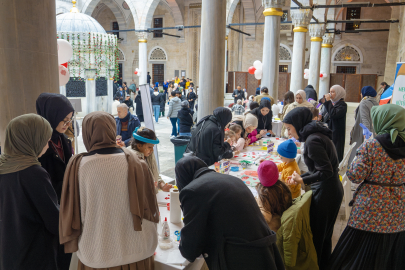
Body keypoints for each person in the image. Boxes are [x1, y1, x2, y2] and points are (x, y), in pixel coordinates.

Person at [59, 112, 159, 270]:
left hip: (99, 254)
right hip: (139, 250)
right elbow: (151, 206)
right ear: (113, 130)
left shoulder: (80, 167)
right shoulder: (137, 162)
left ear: (86, 133)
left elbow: (74, 215)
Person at [327, 104, 405, 270]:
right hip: (398, 206)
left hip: (370, 209)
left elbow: (355, 175)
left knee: (355, 251)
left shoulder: (372, 145)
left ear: (383, 121)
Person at [175, 156, 285, 270]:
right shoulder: (230, 179)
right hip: (264, 250)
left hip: (243, 258)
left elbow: (190, 249)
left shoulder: (193, 190)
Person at [285, 107, 343, 269]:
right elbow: (321, 170)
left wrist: (301, 179)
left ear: (298, 124)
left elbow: (325, 171)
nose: (288, 133)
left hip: (327, 191)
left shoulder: (312, 140)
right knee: (324, 236)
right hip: (330, 189)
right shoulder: (316, 134)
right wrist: (301, 178)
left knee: (317, 238)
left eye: (289, 128)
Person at [0, 114, 59, 270]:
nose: (48, 144)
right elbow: (55, 222)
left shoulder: (3, 166)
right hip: (34, 255)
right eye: (46, 139)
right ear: (31, 139)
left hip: (8, 254)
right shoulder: (33, 173)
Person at [36, 93, 74, 269]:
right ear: (51, 115)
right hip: (49, 210)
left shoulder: (63, 140)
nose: (67, 124)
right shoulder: (39, 144)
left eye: (70, 120)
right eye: (64, 120)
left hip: (65, 206)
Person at [130, 127, 173, 193]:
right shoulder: (131, 158)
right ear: (139, 146)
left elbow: (155, 174)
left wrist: (162, 185)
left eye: (153, 147)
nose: (152, 150)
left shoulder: (148, 153)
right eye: (149, 147)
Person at [256, 161, 292, 232]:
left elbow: (265, 217)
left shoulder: (264, 195)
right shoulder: (283, 187)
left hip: (274, 229)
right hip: (284, 222)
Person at [348, 85, 379, 165]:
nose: (360, 94)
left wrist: (366, 132)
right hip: (373, 130)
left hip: (363, 130)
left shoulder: (364, 102)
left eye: (361, 92)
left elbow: (365, 118)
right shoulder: (375, 102)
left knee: (358, 150)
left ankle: (354, 168)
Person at [320, 85, 347, 162]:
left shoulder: (342, 105)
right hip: (329, 131)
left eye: (333, 92)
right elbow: (328, 115)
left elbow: (333, 114)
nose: (330, 93)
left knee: (335, 153)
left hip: (336, 133)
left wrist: (328, 102)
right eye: (330, 91)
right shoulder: (332, 103)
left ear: (338, 93)